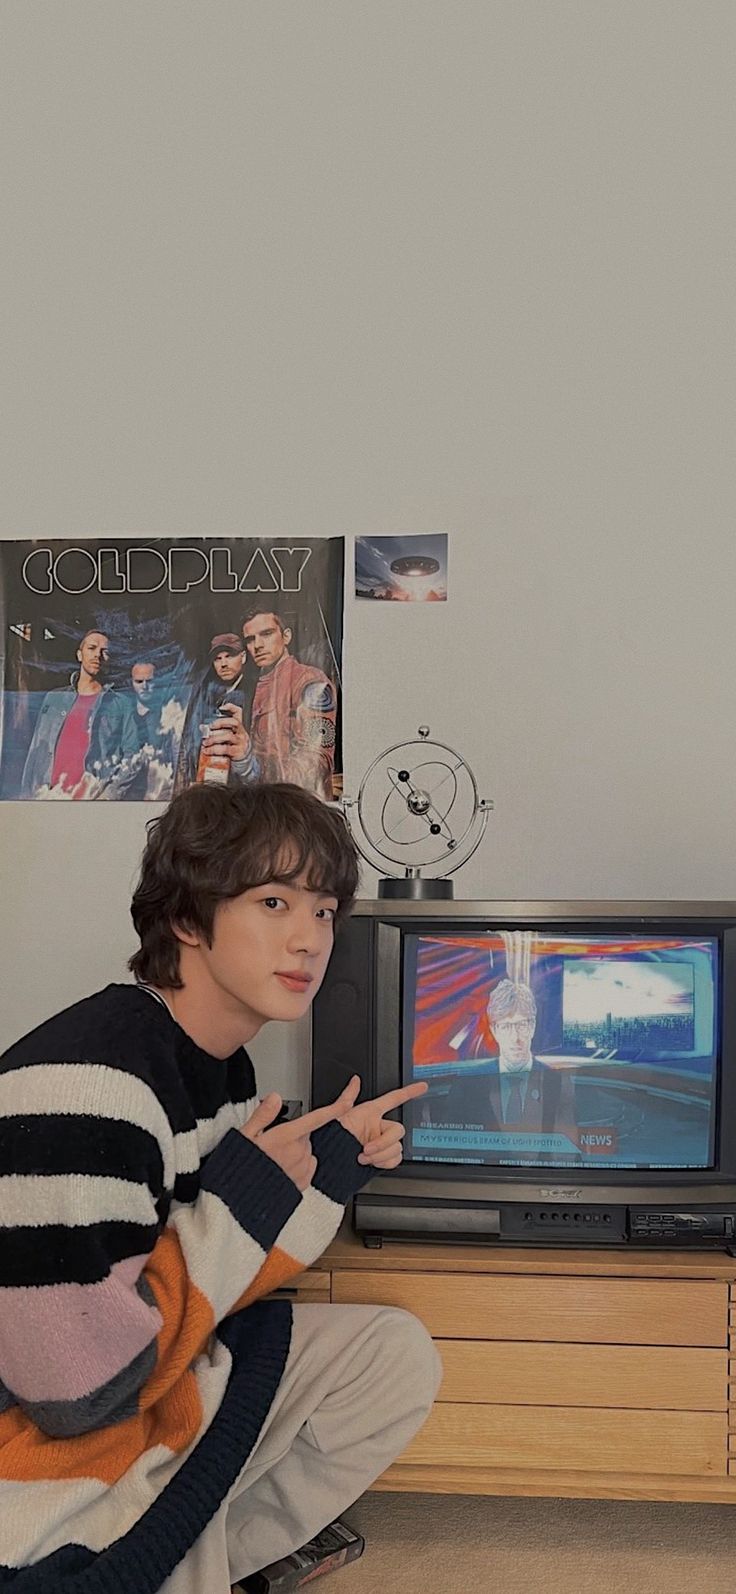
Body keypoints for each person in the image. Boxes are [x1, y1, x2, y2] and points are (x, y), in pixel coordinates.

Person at [0, 781, 441, 1593]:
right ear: (187, 918)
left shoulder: (223, 1066)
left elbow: (232, 1272)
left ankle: (217, 1555)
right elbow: (74, 1396)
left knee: (391, 1355)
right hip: (44, 1437)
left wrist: (334, 1157)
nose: (310, 939)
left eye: (324, 911)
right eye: (274, 901)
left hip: (154, 1378)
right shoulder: (87, 1087)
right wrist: (245, 1196)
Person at [443, 978, 578, 1135]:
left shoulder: (557, 1082)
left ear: (532, 1027)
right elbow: (451, 1145)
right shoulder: (468, 1083)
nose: (515, 1037)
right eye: (506, 1026)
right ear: (494, 1030)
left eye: (521, 1025)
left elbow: (568, 1148)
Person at [20, 628, 138, 799]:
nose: (98, 654)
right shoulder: (54, 698)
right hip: (48, 797)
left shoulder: (120, 703)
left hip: (91, 800)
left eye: (105, 652)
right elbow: (35, 750)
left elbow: (133, 756)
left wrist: (108, 796)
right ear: (79, 655)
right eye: (92, 648)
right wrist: (26, 795)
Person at [241, 609, 337, 801]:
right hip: (260, 806)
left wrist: (250, 766)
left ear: (286, 637)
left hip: (298, 807)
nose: (258, 645)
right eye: (250, 640)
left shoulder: (310, 680)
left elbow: (317, 761)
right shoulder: (251, 686)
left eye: (266, 634)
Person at [173, 632, 258, 794]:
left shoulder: (256, 692)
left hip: (242, 789)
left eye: (229, 656)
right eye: (217, 659)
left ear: (243, 657)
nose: (223, 663)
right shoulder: (203, 696)